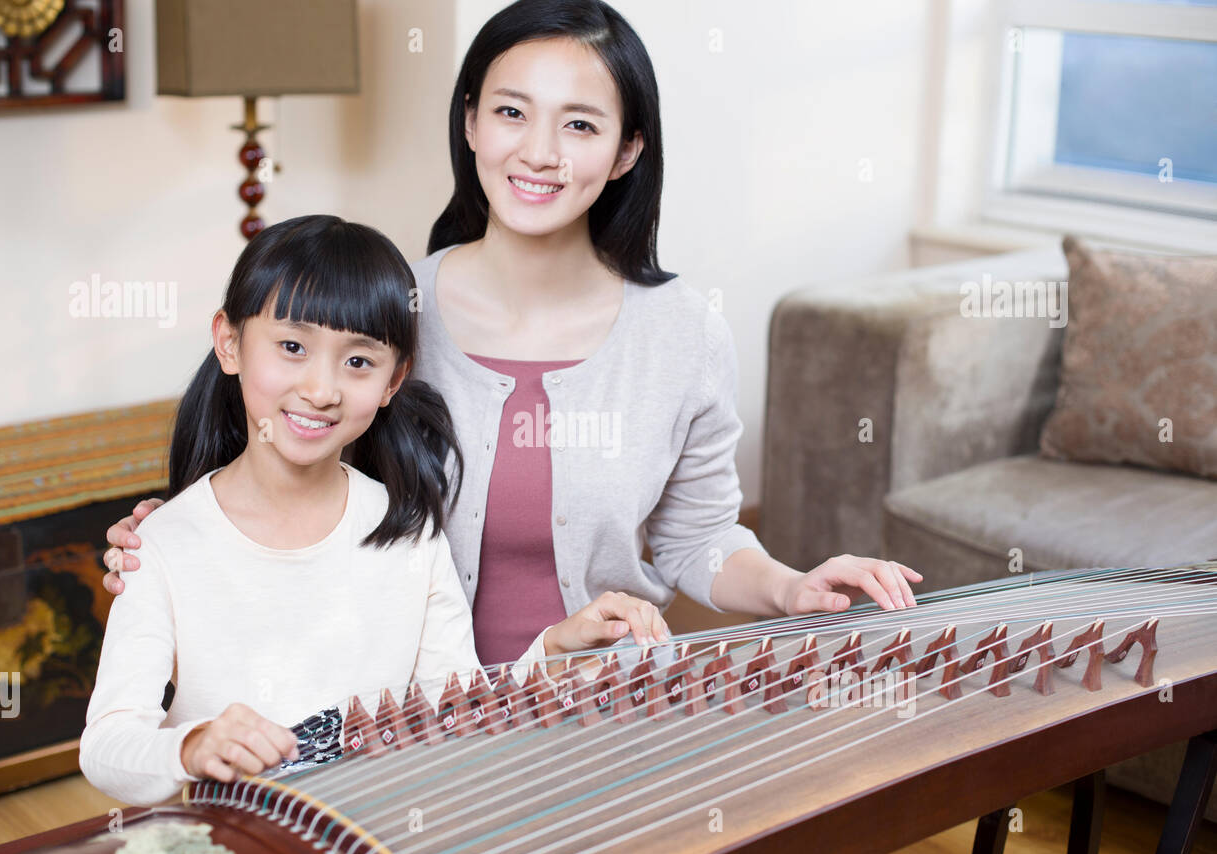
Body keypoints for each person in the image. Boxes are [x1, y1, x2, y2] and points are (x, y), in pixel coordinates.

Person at [99, 0, 920, 676]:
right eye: (511, 113)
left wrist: (791, 588)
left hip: (602, 704)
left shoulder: (683, 333)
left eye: (580, 126)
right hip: (399, 706)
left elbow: (695, 536)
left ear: (629, 148)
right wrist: (177, 539)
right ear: (470, 123)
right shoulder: (390, 312)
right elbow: (286, 465)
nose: (538, 153)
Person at [80, 217, 556, 807]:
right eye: (292, 347)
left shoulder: (407, 528)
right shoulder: (163, 543)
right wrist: (191, 746)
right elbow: (106, 745)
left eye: (358, 362)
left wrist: (556, 655)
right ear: (229, 342)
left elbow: (453, 709)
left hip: (376, 837)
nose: (322, 388)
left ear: (393, 380)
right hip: (240, 842)